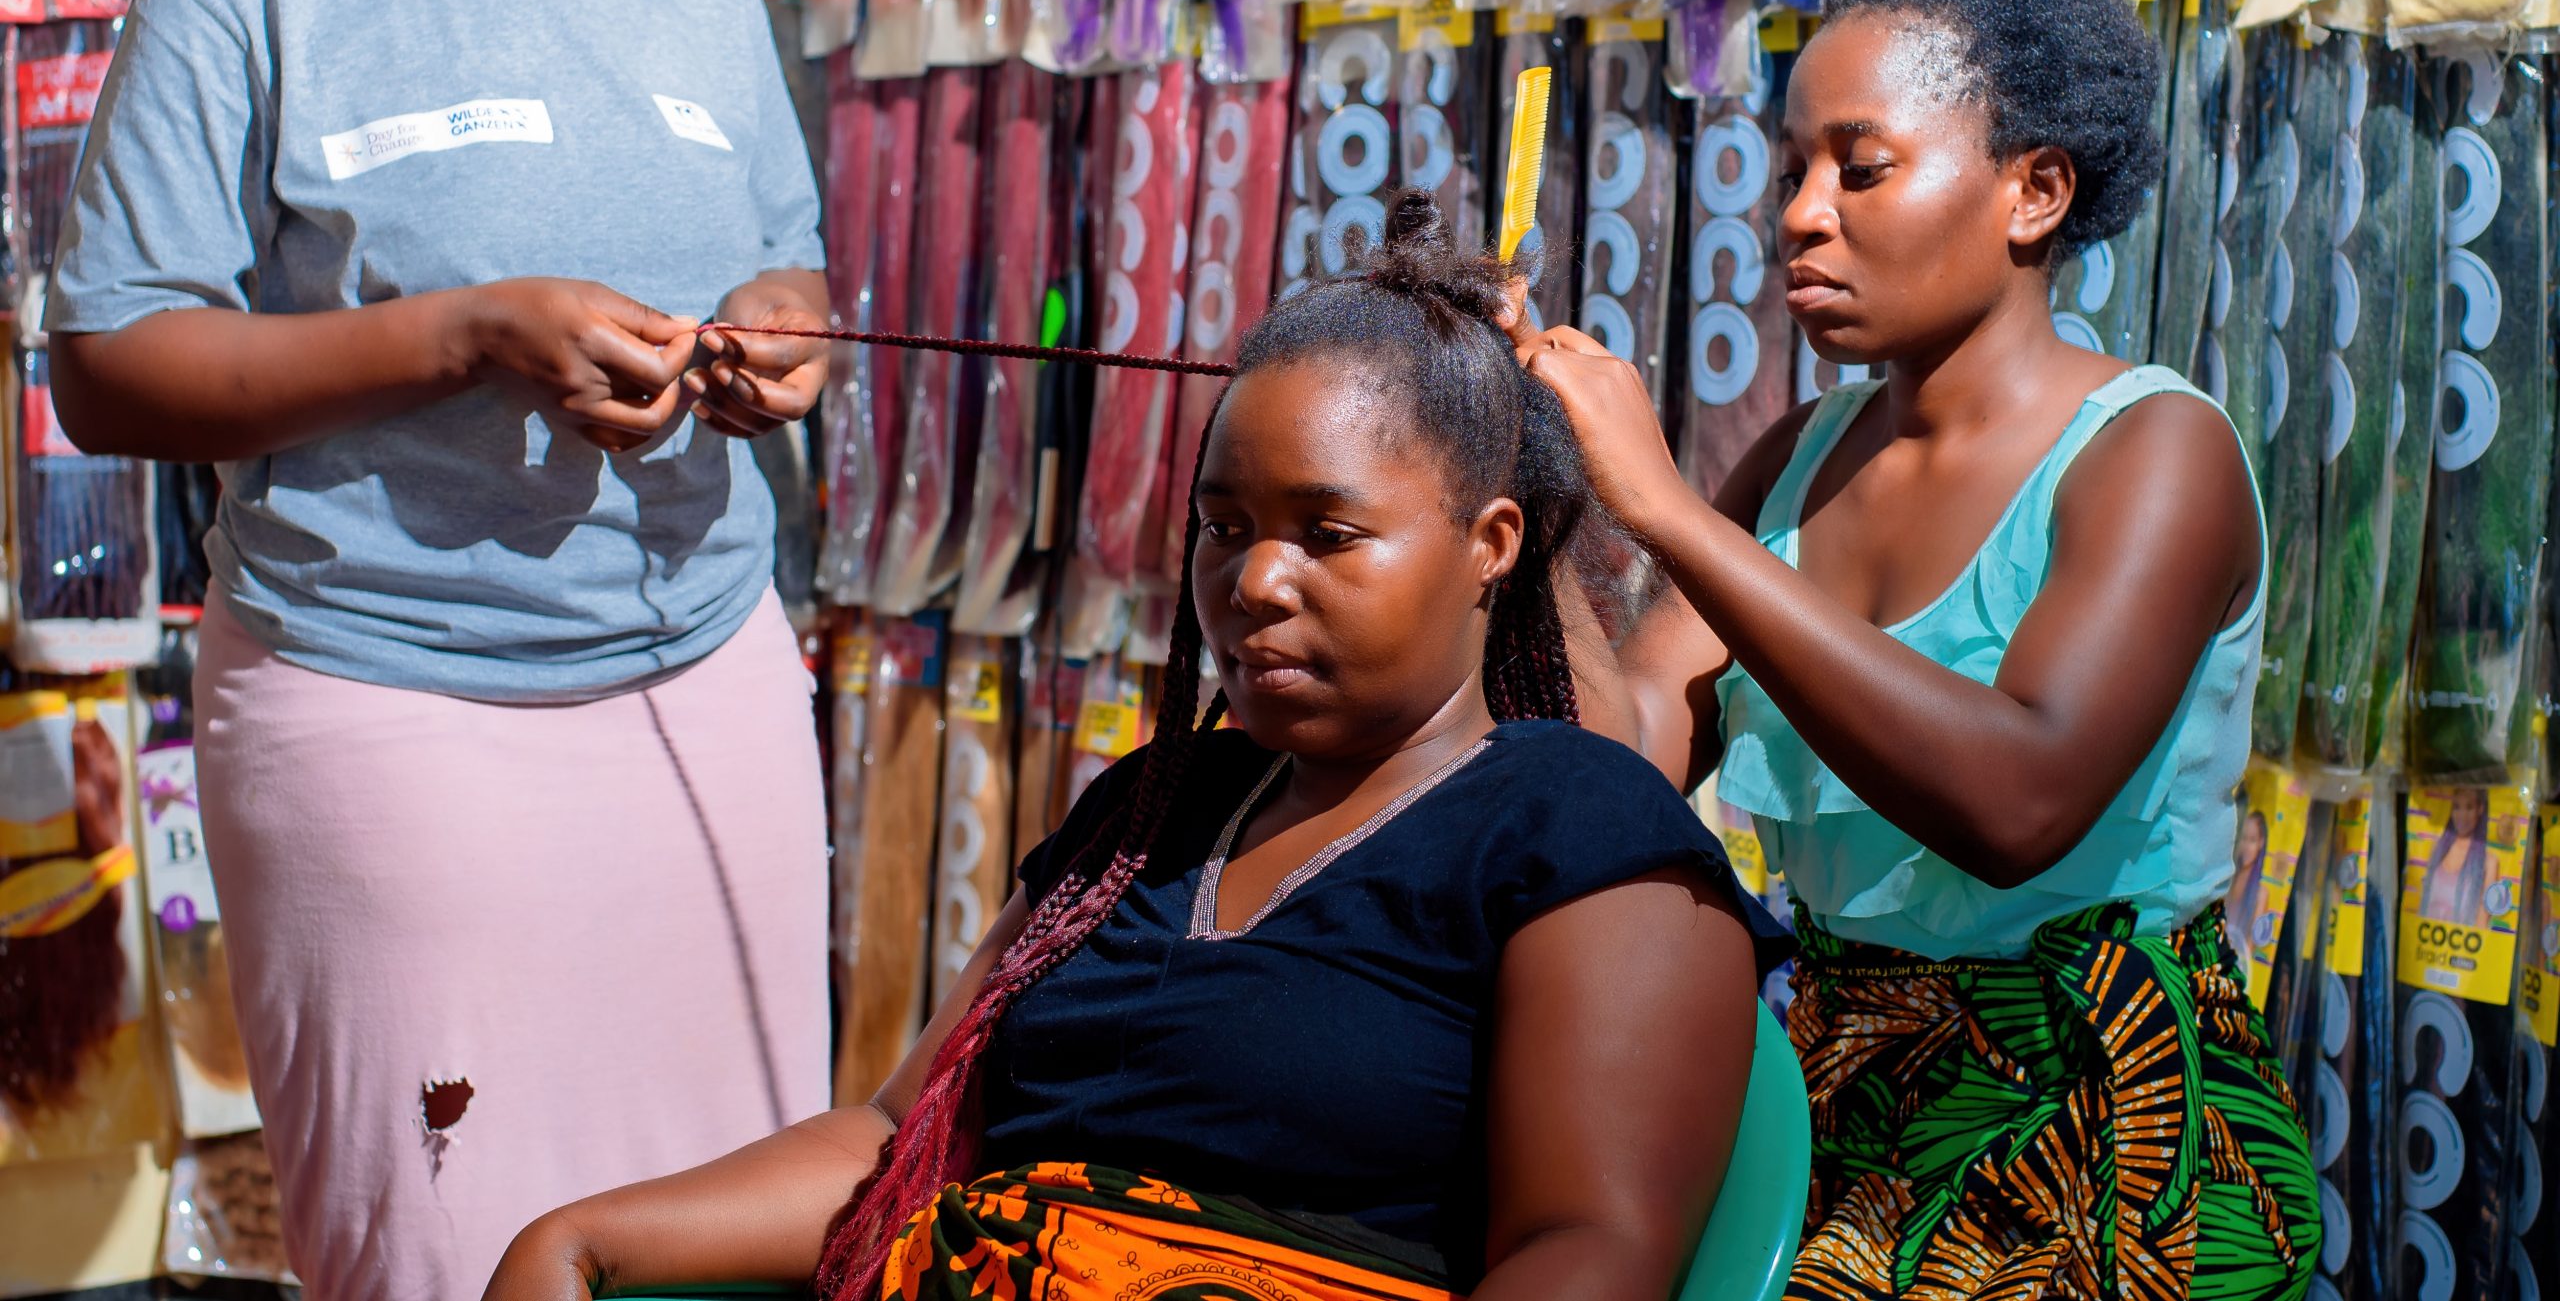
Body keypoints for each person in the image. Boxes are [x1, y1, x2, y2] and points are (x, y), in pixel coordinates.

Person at [483, 199, 1790, 1301]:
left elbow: (1591, 1253)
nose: (1258, 580)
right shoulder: (1153, 813)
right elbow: (901, 1129)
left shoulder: (1575, 826)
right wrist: (586, 1238)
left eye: (1328, 535)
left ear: (1491, 546)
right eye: (1225, 529)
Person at [42, 0, 832, 1293]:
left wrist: (784, 331)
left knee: (742, 1225)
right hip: (394, 714)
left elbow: (789, 256)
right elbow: (109, 363)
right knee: (444, 1238)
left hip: (712, 682)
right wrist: (464, 337)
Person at [1514, 0, 2320, 1299]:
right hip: (1832, 1129)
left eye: (1862, 167)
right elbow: (1630, 748)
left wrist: (1673, 517)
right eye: (1793, 169)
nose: (1801, 214)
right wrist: (1542, 505)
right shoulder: (1799, 463)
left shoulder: (2152, 455)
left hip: (2113, 1156)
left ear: (2035, 191)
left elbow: (2018, 800)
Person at [2422, 790, 2491, 927]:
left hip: (2461, 944)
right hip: (2426, 941)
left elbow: (2481, 924)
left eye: (2469, 807)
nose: (2462, 816)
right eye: (2456, 807)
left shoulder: (2489, 862)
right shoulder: (2437, 850)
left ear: (2480, 809)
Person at [2226, 807, 2270, 962]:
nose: (2246, 846)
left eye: (2252, 840)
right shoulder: (2228, 879)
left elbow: (2251, 942)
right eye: (2243, 838)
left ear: (2261, 843)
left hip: (2236, 964)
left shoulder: (2260, 893)